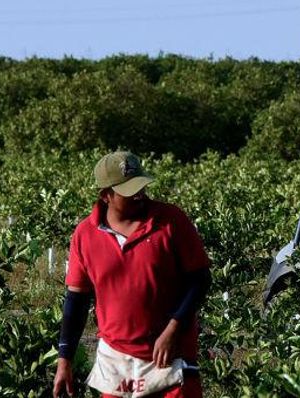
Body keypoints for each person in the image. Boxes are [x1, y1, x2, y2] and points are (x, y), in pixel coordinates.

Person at [53, 151, 211, 398]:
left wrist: (173, 328)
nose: (139, 195)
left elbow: (199, 279)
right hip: (117, 362)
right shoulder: (85, 234)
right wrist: (65, 360)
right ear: (106, 195)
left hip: (170, 358)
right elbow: (77, 301)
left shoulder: (171, 221)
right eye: (128, 191)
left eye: (140, 187)